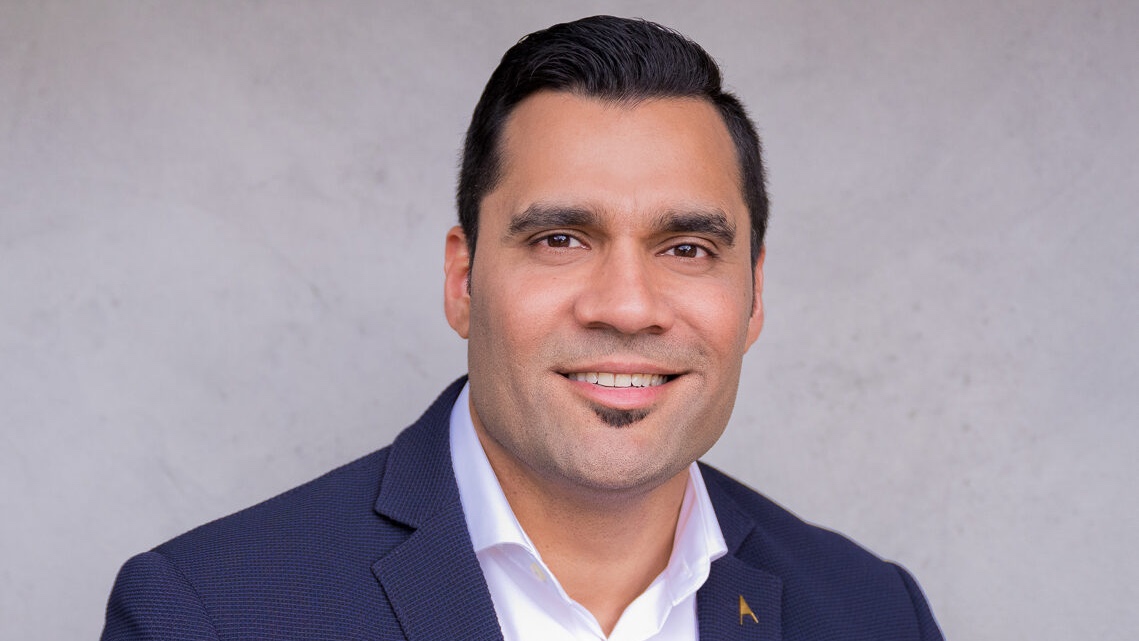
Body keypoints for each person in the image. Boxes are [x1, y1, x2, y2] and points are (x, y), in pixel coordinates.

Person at [101, 15, 943, 641]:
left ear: (752, 294)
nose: (625, 304)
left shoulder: (872, 611)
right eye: (560, 239)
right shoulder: (209, 612)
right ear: (463, 279)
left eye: (686, 246)